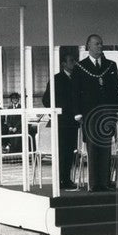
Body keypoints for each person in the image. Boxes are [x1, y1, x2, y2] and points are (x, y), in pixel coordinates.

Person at [72, 34, 118, 192]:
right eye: (96, 44)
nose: (100, 46)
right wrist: (77, 113)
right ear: (88, 46)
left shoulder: (110, 65)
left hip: (107, 113)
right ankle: (94, 184)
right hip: (90, 114)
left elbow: (115, 89)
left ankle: (105, 182)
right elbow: (75, 92)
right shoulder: (80, 67)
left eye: (101, 44)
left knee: (106, 148)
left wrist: (117, 109)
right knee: (93, 149)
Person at [42, 50, 79, 191]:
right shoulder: (57, 79)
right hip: (61, 121)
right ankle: (60, 179)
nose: (73, 63)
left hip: (72, 122)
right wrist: (56, 110)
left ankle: (67, 178)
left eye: (74, 60)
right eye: (71, 61)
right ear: (63, 64)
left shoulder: (77, 78)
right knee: (61, 152)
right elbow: (46, 99)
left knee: (70, 151)